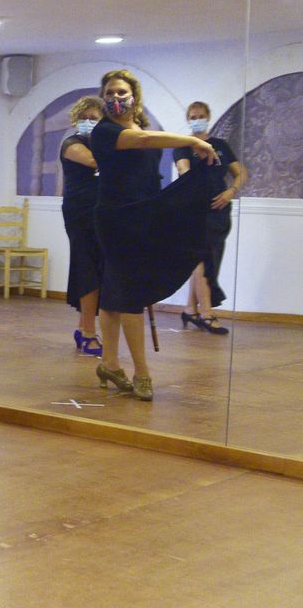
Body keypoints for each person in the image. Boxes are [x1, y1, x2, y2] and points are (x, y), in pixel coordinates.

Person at [88, 70, 220, 400]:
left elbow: (146, 148)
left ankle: (109, 364)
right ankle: (141, 372)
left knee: (116, 291)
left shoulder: (137, 127)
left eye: (121, 92)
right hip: (117, 218)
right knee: (130, 291)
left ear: (134, 95)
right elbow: (146, 141)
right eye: (110, 93)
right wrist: (192, 140)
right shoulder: (104, 132)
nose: (116, 98)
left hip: (142, 213)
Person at [173, 100, 246, 335]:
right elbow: (183, 171)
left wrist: (230, 191)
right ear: (188, 119)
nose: (197, 120)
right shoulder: (183, 146)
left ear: (208, 116)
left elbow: (240, 172)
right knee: (202, 259)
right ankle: (207, 313)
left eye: (201, 116)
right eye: (193, 116)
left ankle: (189, 309)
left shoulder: (221, 146)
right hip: (195, 211)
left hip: (220, 210)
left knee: (210, 259)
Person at [59, 96, 106, 355]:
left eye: (94, 118)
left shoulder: (102, 144)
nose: (88, 122)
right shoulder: (71, 144)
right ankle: (89, 331)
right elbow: (94, 161)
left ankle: (83, 327)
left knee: (97, 268)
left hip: (101, 213)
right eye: (84, 118)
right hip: (80, 214)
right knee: (86, 267)